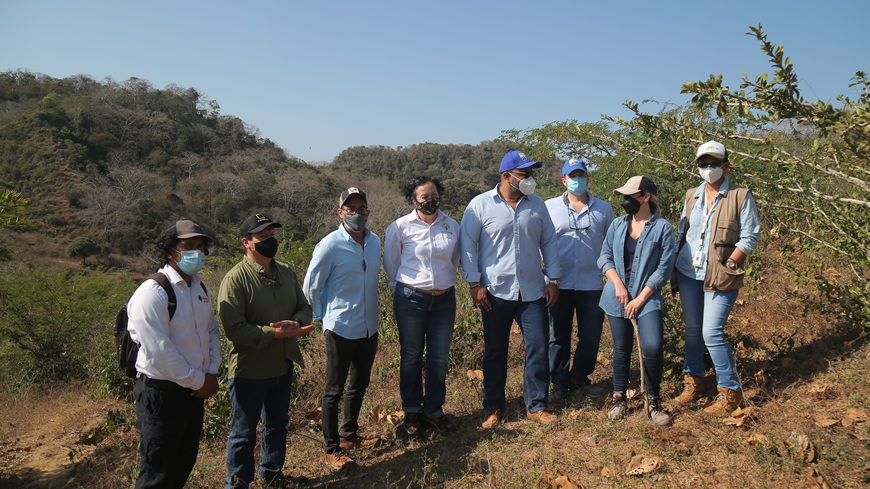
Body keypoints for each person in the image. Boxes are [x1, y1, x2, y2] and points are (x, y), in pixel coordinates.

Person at [459, 150, 561, 428]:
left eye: (531, 173)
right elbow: (467, 245)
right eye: (524, 174)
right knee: (495, 350)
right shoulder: (480, 205)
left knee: (538, 346)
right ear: (507, 176)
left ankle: (536, 405)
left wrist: (554, 280)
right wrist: (474, 284)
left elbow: (549, 242)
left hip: (533, 291)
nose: (530, 178)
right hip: (495, 291)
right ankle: (493, 406)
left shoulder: (537, 205)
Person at [218, 213, 315, 488]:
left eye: (272, 235)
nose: (271, 240)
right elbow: (234, 329)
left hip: (281, 364)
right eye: (263, 237)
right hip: (249, 370)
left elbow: (304, 307)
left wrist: (297, 323)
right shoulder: (235, 280)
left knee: (277, 425)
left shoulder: (286, 272)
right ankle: (238, 483)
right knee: (243, 432)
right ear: (246, 242)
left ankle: (272, 476)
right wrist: (275, 333)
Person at [127, 220, 221, 489]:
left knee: (182, 464)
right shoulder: (153, 292)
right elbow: (159, 351)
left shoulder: (199, 288)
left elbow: (211, 331)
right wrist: (200, 381)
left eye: (200, 246)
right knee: (157, 473)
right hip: (162, 395)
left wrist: (211, 372)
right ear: (170, 251)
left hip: (194, 394)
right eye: (188, 246)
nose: (196, 252)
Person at [672, 141, 761, 415]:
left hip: (720, 274)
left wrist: (731, 261)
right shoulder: (692, 195)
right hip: (689, 272)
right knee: (692, 330)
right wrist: (674, 266)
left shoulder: (740, 196)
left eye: (714, 163)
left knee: (711, 332)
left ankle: (729, 390)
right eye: (703, 163)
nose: (708, 168)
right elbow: (683, 233)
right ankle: (693, 381)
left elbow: (750, 235)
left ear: (726, 165)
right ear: (697, 166)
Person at [304, 187, 382, 469]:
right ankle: (331, 448)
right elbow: (311, 286)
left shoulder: (375, 242)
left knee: (360, 383)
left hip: (368, 325)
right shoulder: (329, 245)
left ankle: (349, 435)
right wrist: (322, 317)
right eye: (351, 209)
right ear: (340, 212)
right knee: (334, 389)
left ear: (368, 211)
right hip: (340, 327)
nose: (357, 214)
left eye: (361, 208)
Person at [384, 175, 461, 435]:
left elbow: (455, 258)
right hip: (411, 299)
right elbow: (391, 262)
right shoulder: (400, 227)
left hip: (444, 300)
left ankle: (434, 410)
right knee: (411, 356)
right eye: (425, 197)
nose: (431, 201)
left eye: (434, 196)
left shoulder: (451, 225)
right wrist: (403, 286)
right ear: (413, 200)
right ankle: (412, 410)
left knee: (439, 358)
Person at [598, 176, 676, 428]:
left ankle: (653, 399)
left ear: (646, 197)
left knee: (652, 347)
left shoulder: (663, 228)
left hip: (647, 298)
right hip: (617, 297)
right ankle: (618, 397)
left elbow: (664, 269)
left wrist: (641, 298)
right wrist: (618, 285)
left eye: (631, 196)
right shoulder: (617, 225)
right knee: (621, 348)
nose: (625, 201)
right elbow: (604, 257)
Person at [544, 158, 615, 402]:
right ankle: (559, 383)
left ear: (588, 178)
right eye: (572, 176)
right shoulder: (549, 207)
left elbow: (610, 244)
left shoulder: (603, 209)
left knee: (591, 336)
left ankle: (580, 379)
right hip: (558, 284)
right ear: (564, 181)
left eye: (581, 175)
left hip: (592, 283)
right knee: (558, 336)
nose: (577, 180)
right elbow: (541, 242)